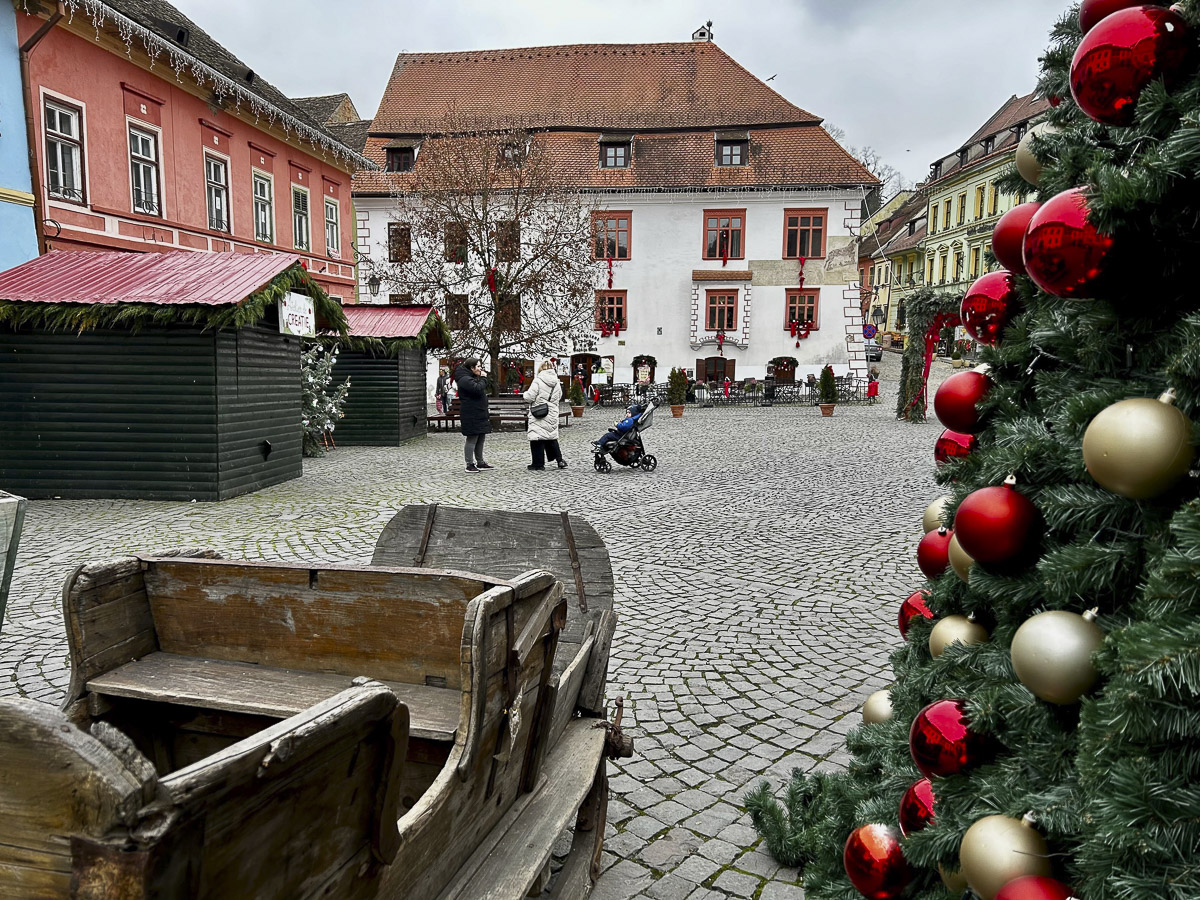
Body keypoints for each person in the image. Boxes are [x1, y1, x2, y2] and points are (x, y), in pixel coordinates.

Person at [524, 360, 566, 470]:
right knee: (551, 436)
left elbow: (529, 397)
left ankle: (538, 464)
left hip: (539, 411)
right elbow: (560, 396)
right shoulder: (556, 382)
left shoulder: (538, 380)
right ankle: (559, 460)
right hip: (552, 412)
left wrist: (525, 394)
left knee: (536, 438)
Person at [453, 359, 492, 473]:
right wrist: (484, 378)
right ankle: (469, 464)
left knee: (481, 437)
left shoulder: (471, 377)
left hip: (479, 411)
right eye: (478, 366)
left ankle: (480, 462)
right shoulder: (464, 379)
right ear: (472, 368)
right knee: (472, 438)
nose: (480, 368)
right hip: (471, 413)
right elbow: (477, 389)